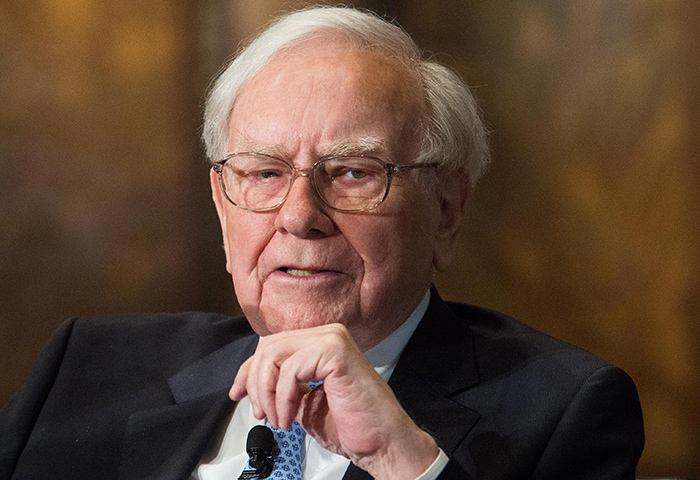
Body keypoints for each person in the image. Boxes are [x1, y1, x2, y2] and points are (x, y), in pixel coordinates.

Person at [0, 6, 644, 480]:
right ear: (223, 209)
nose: (300, 216)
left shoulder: (566, 412)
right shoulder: (85, 370)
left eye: (354, 172)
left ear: (446, 211)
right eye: (264, 173)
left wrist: (398, 459)